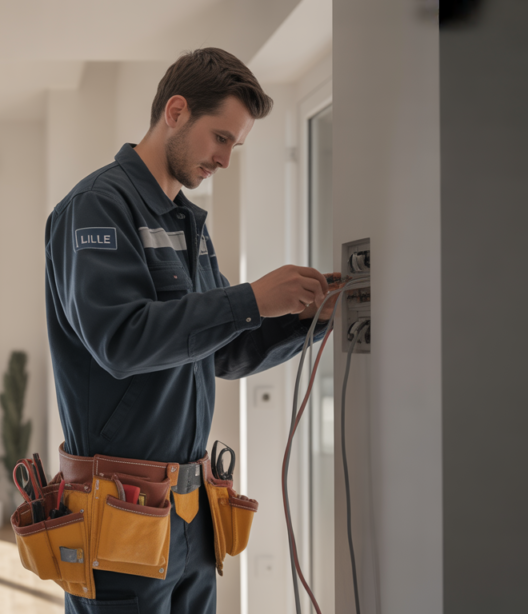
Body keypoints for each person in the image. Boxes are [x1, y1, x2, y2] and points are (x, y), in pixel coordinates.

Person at [44, 48, 336, 614]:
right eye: (220, 138)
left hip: (192, 507)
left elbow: (220, 352)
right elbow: (121, 342)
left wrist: (308, 321)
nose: (225, 159)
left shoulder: (188, 226)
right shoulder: (96, 207)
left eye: (235, 144)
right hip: (119, 511)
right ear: (175, 111)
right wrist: (249, 297)